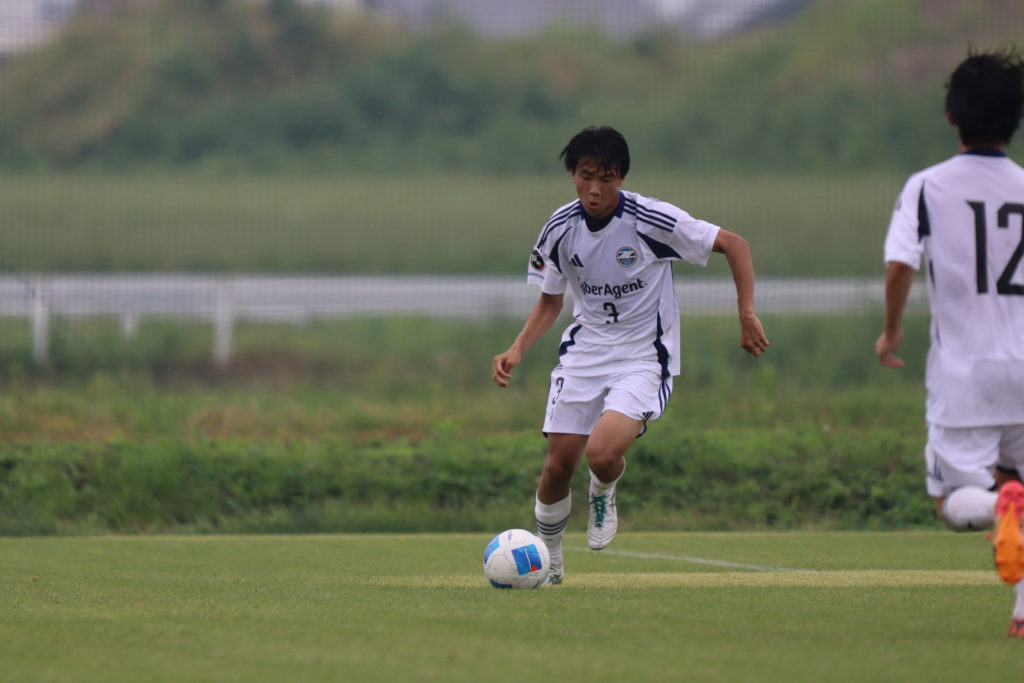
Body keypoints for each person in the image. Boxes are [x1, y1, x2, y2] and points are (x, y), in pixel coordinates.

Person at [491, 125, 769, 585]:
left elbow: (734, 244)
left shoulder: (650, 219)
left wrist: (747, 313)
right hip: (585, 354)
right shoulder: (560, 228)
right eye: (585, 177)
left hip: (643, 357)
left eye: (605, 178)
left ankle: (603, 490)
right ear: (572, 175)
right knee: (557, 466)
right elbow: (551, 300)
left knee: (601, 454)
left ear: (620, 177)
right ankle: (551, 563)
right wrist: (518, 347)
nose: (594, 189)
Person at [875, 48, 1024, 637]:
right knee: (1019, 484)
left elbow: (899, 263)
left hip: (965, 373)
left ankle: (997, 507)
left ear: (951, 114)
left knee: (955, 500)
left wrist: (891, 329)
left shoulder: (927, 187)